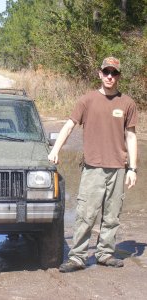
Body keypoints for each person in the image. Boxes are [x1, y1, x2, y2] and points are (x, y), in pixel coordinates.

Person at [48, 57, 138, 273]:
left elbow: (131, 136)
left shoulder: (127, 103)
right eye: (106, 72)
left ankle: (105, 254)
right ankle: (78, 257)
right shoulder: (86, 100)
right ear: (99, 74)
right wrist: (55, 150)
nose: (109, 76)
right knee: (85, 214)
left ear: (118, 76)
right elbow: (69, 126)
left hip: (118, 168)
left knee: (112, 215)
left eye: (114, 73)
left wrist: (132, 168)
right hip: (93, 167)